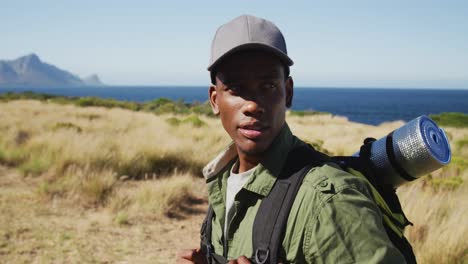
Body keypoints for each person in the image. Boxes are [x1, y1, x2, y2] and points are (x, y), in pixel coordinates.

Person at [178, 14, 407, 263]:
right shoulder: (223, 180)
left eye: (268, 87)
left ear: (288, 93)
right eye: (236, 89)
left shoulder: (328, 201)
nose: (253, 105)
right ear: (215, 100)